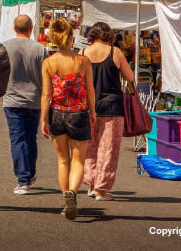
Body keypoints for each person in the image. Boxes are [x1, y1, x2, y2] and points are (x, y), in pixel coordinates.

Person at [39, 18, 95, 220]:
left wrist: (43, 119)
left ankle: (66, 199)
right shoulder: (83, 62)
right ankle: (73, 191)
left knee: (63, 160)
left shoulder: (48, 63)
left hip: (57, 113)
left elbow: (46, 94)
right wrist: (93, 111)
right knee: (78, 160)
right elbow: (90, 91)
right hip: (78, 113)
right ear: (72, 39)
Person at [82, 22, 135, 201]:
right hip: (112, 107)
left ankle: (90, 184)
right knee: (108, 149)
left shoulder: (82, 53)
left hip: (87, 107)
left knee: (89, 147)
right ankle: (101, 189)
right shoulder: (115, 52)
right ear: (108, 35)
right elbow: (130, 77)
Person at [2, 15, 48, 195]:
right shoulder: (40, 49)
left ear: (14, 28)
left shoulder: (5, 47)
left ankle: (23, 179)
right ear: (31, 28)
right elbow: (46, 78)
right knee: (30, 138)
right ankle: (29, 173)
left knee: (18, 139)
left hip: (12, 98)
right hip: (34, 99)